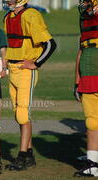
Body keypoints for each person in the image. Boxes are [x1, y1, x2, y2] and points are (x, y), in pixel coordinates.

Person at [2, 0, 56, 171]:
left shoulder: (31, 15)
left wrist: (36, 63)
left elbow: (50, 44)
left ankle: (22, 156)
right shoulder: (8, 16)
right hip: (13, 69)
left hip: (26, 70)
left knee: (23, 114)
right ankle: (29, 154)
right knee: (18, 114)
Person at [74, 0, 98, 177]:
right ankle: (93, 162)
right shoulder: (84, 19)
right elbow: (81, 50)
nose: (85, 6)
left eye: (88, 3)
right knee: (91, 121)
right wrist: (77, 80)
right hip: (88, 75)